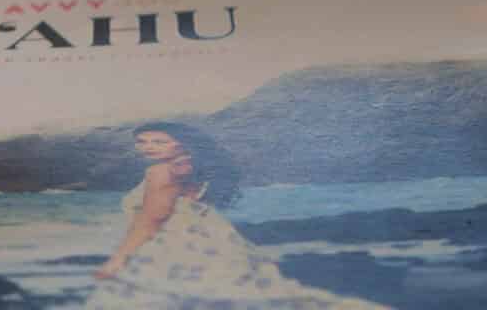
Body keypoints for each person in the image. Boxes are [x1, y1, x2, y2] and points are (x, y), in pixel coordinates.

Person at [86, 123, 391, 309]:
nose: (147, 147)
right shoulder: (189, 169)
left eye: (158, 141)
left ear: (179, 144)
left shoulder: (159, 171)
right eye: (142, 141)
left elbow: (152, 218)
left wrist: (119, 257)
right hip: (211, 241)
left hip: (173, 245)